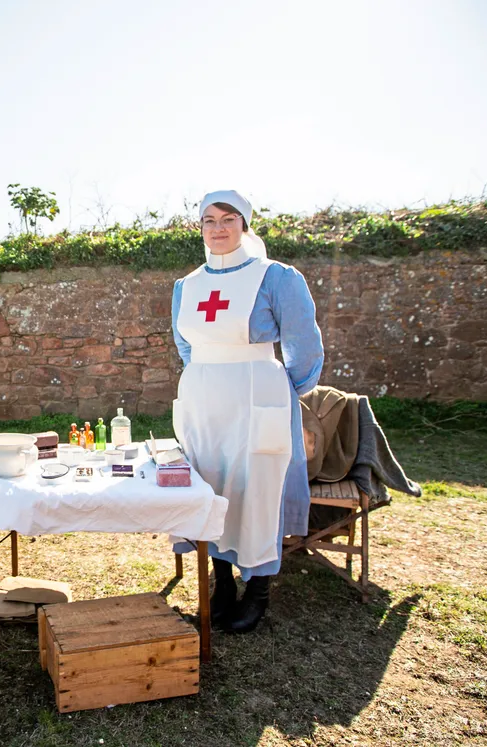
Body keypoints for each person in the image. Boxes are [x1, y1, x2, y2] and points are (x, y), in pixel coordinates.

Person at [170, 190, 323, 634]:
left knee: (256, 490)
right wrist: (208, 378)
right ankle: (222, 586)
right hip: (203, 401)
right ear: (199, 227)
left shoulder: (276, 277)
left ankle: (257, 591)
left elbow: (304, 348)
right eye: (208, 220)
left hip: (259, 398)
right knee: (209, 485)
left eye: (228, 219)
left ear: (245, 224)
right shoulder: (187, 286)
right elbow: (186, 346)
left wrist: (280, 392)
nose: (218, 228)